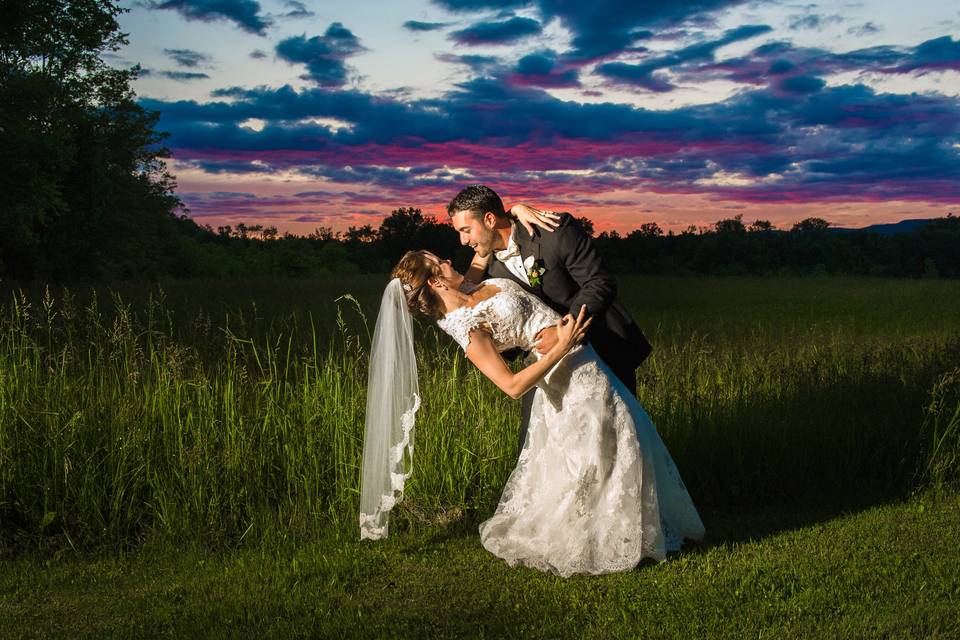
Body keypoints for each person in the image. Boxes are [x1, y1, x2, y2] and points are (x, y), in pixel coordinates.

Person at [359, 250, 704, 577]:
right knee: (600, 449)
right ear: (435, 283)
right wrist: (563, 346)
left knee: (618, 439)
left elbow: (483, 247)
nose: (449, 259)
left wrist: (517, 210)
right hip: (564, 373)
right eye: (440, 262)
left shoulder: (468, 285)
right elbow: (511, 386)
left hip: (586, 359)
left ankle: (630, 531)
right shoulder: (466, 328)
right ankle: (603, 539)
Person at [448, 184, 652, 459]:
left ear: (489, 219)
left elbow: (599, 282)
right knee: (541, 452)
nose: (463, 241)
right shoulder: (494, 272)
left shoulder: (555, 231)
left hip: (603, 345)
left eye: (465, 230)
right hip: (548, 366)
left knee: (618, 442)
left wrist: (564, 329)